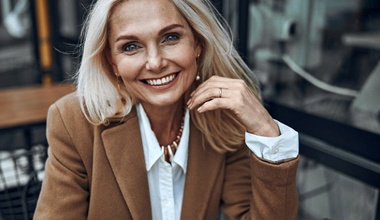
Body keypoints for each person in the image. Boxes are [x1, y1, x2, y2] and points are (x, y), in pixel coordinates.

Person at [34, 0, 299, 219]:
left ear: (197, 44)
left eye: (170, 37)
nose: (155, 62)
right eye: (131, 46)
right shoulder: (74, 121)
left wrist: (268, 134)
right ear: (112, 62)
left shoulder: (222, 117)